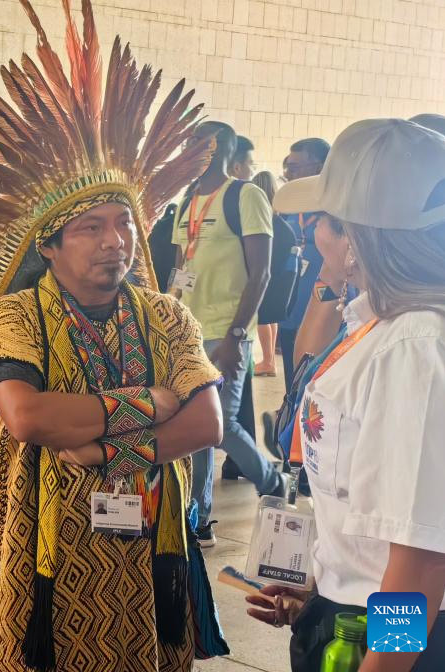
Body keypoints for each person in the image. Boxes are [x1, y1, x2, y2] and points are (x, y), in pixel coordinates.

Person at [0, 4, 230, 669]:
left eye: (124, 224)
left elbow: (210, 423)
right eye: (92, 228)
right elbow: (28, 416)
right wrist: (153, 404)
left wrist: (105, 453)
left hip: (143, 565)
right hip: (44, 566)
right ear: (47, 245)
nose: (117, 241)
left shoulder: (165, 316)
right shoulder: (14, 318)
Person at [245, 118, 445, 672]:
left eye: (322, 223)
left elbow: (422, 555)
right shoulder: (382, 328)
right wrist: (324, 588)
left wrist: (381, 663)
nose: (311, 236)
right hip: (355, 612)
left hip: (397, 637)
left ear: (357, 238)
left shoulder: (414, 345)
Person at [171, 121, 285, 545]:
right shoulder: (188, 202)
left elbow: (263, 272)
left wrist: (238, 334)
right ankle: (198, 518)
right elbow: (181, 267)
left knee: (222, 424)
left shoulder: (244, 195)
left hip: (225, 332)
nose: (185, 151)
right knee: (198, 425)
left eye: (192, 143)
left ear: (215, 148)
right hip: (187, 331)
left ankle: (271, 479)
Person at [275, 138, 330, 389]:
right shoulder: (288, 209)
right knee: (293, 381)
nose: (288, 173)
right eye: (287, 165)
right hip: (290, 310)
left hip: (326, 311)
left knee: (320, 382)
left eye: (295, 167)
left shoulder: (334, 213)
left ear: (318, 167)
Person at [252, 171, 280, 377]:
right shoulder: (278, 211)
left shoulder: (259, 212)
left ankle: (268, 361)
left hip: (264, 268)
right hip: (277, 270)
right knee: (271, 315)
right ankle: (269, 360)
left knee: (262, 315)